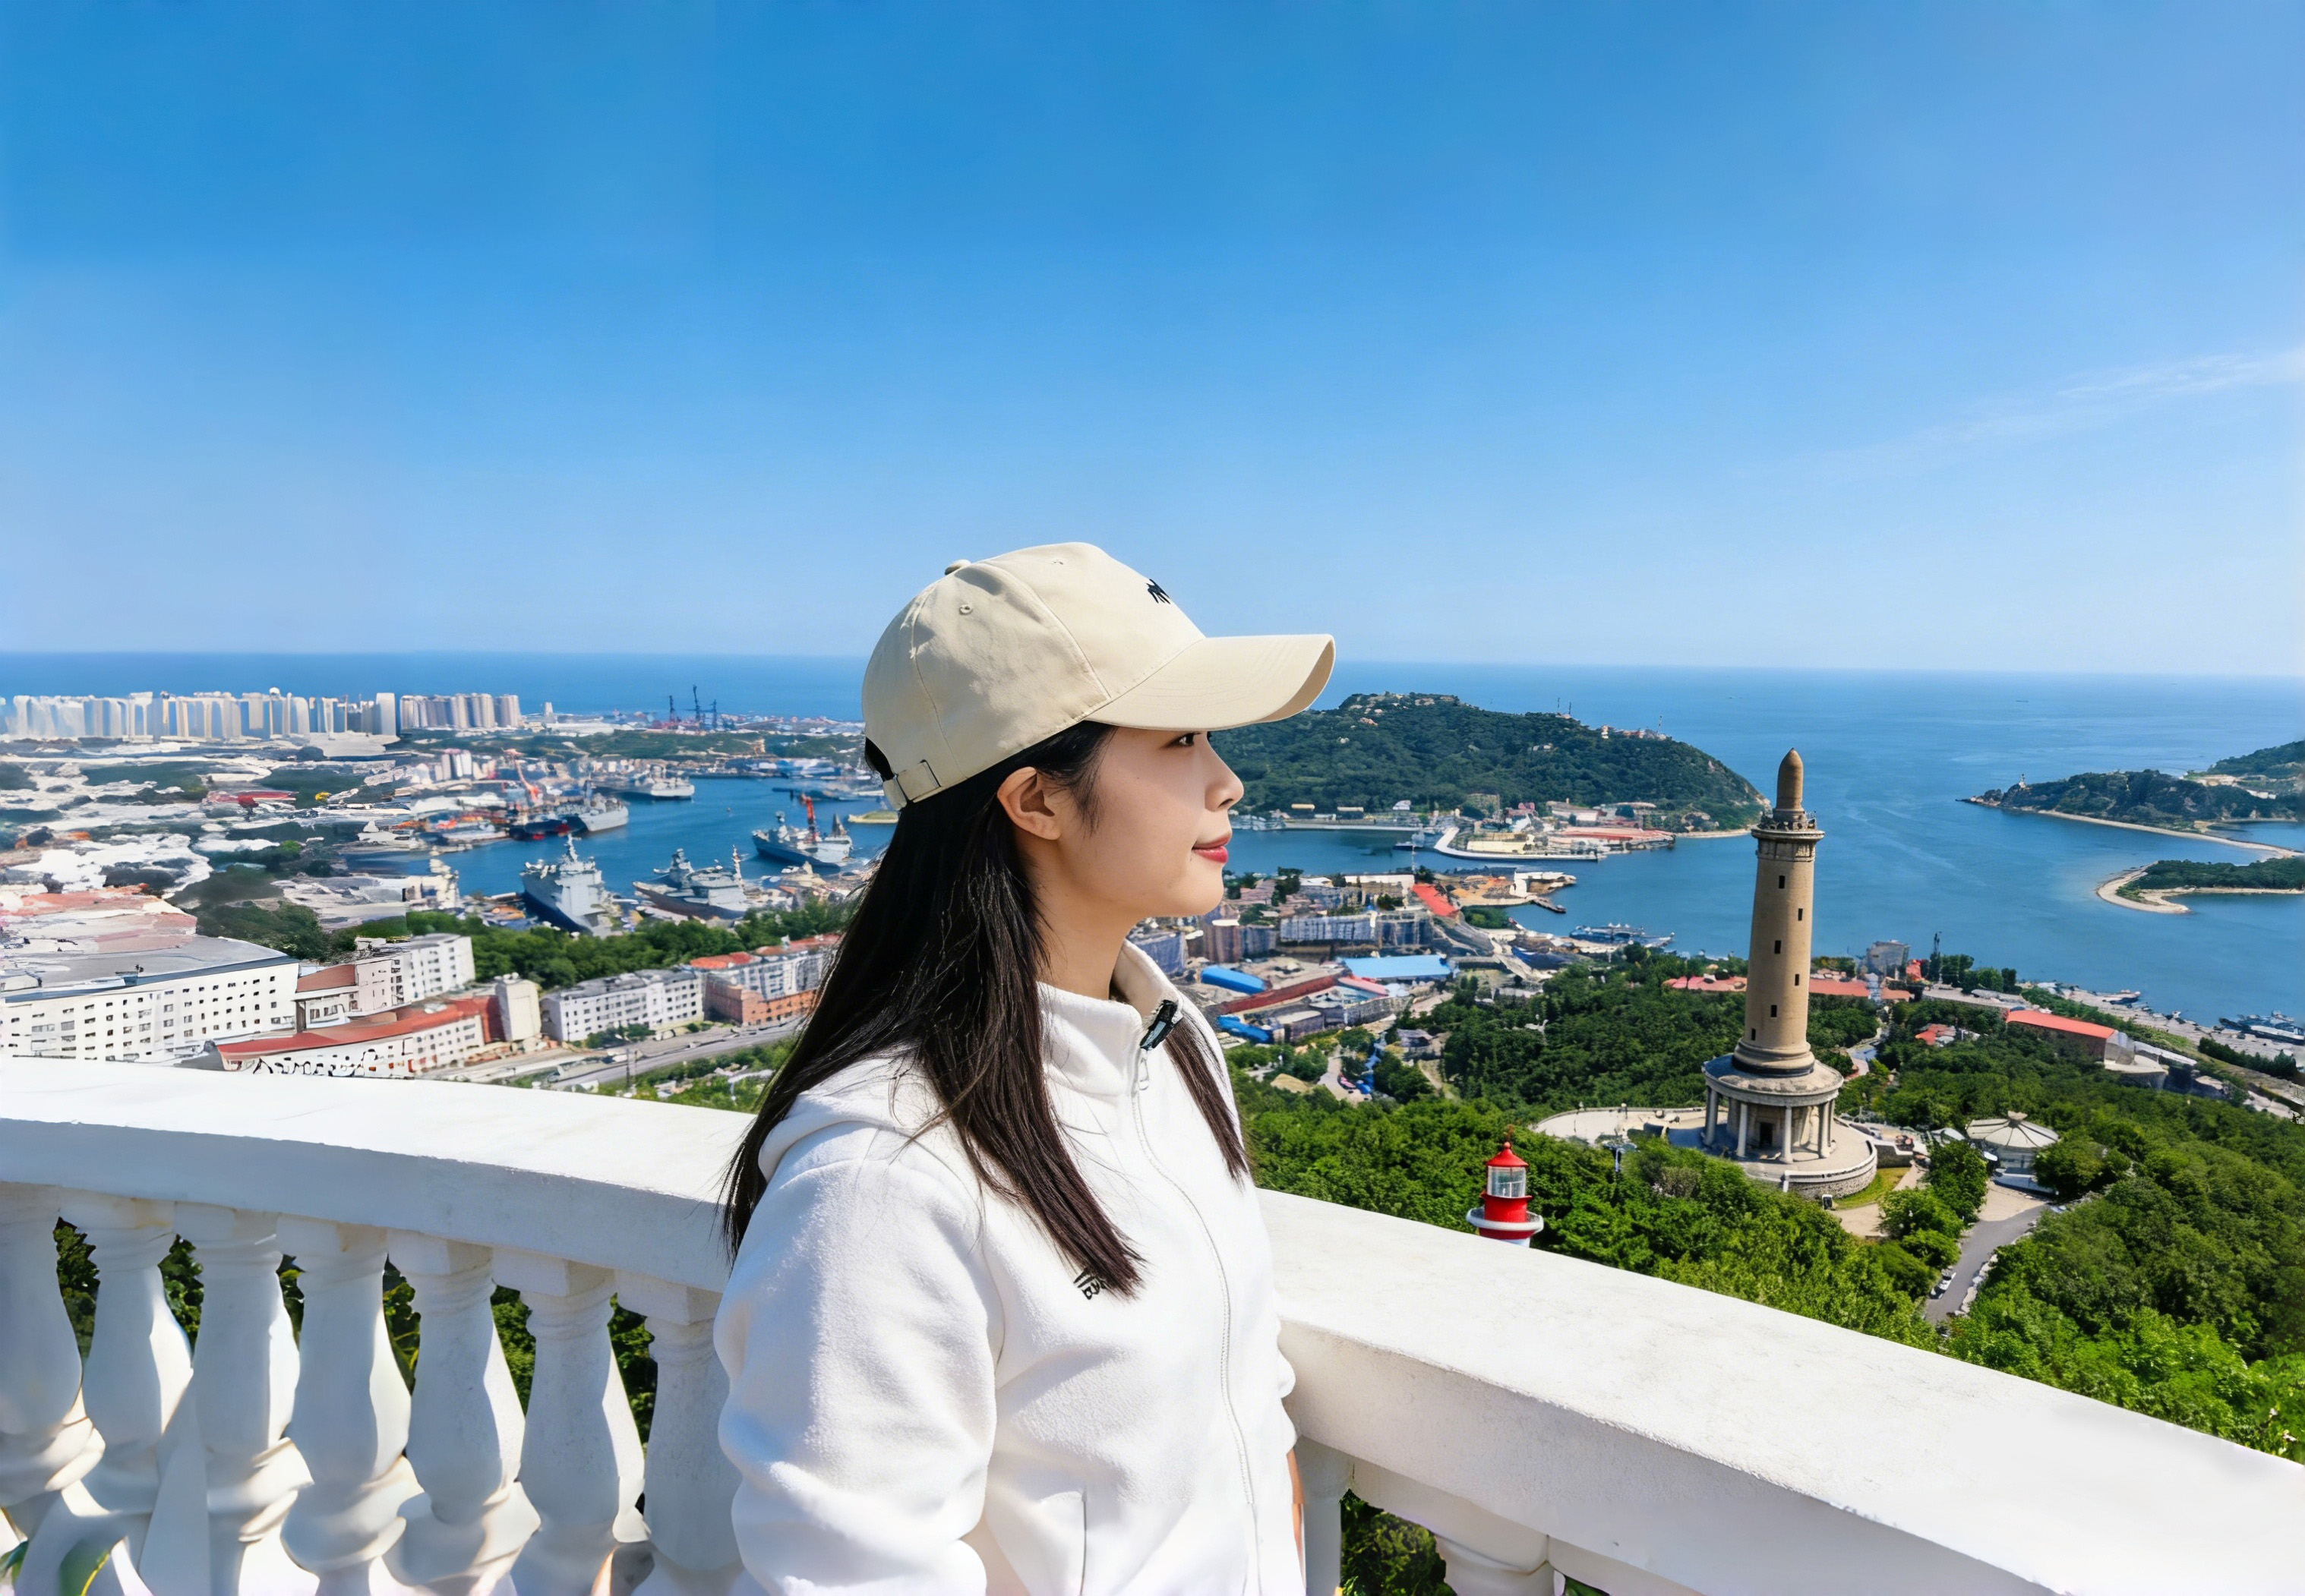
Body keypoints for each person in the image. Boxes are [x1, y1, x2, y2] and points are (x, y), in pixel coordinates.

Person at [715, 543, 1334, 1594]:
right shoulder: (882, 1179)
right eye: (1181, 737)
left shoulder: (1172, 1043)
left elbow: (1248, 1404)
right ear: (1035, 800)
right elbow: (849, 1575)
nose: (1227, 780)